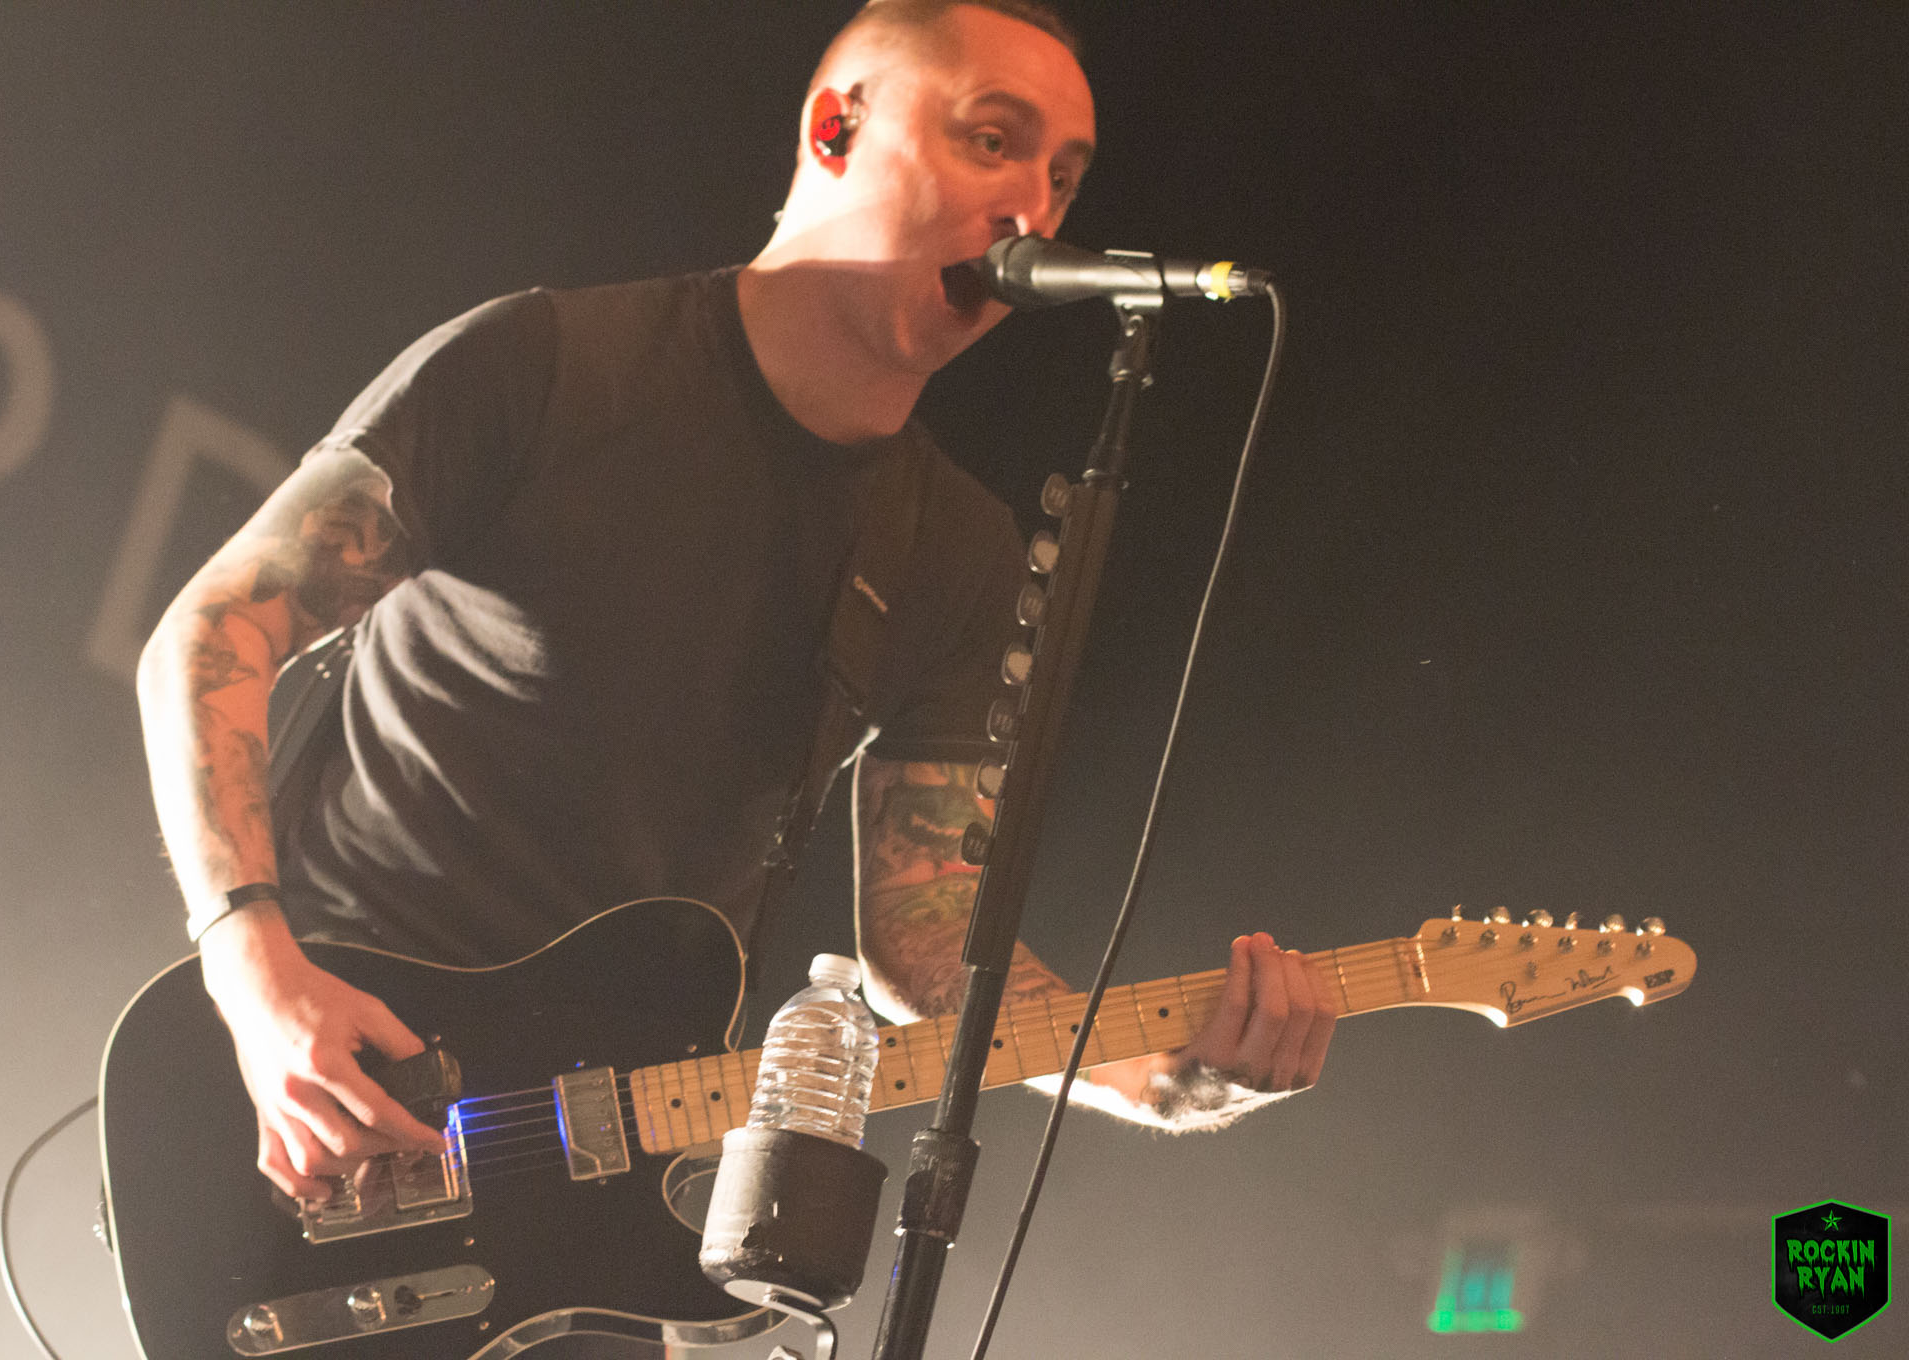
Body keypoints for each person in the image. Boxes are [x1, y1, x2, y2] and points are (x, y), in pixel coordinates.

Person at [138, 0, 1336, 1248]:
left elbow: (923, 942)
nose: (1034, 206)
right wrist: (253, 972)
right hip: (329, 1102)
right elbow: (215, 631)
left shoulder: (954, 553)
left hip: (587, 1185)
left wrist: (1166, 1077)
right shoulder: (551, 365)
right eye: (994, 140)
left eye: (1065, 178)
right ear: (835, 128)